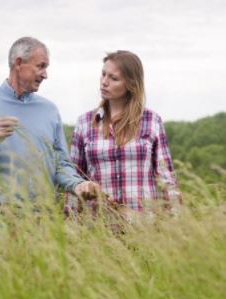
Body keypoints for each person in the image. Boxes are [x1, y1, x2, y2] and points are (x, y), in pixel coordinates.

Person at [0, 37, 99, 205]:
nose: (45, 74)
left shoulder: (49, 110)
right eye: (40, 66)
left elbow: (61, 163)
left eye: (46, 67)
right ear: (18, 63)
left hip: (45, 218)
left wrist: (77, 184)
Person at [68, 50, 181, 216]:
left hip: (144, 226)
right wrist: (70, 224)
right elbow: (74, 179)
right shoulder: (84, 123)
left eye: (113, 78)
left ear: (130, 84)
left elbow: (167, 180)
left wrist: (178, 224)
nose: (104, 82)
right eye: (103, 74)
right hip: (98, 228)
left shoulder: (152, 121)